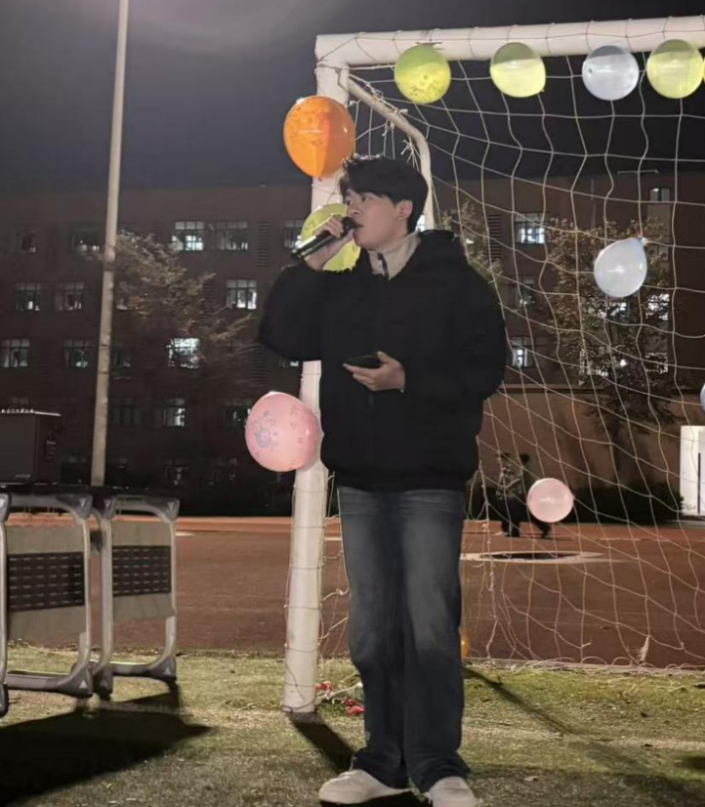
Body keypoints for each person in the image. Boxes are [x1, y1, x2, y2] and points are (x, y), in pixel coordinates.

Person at [258, 155, 506, 807]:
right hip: (361, 479)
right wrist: (314, 260)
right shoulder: (344, 285)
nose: (351, 209)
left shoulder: (457, 283)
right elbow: (280, 336)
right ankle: (381, 761)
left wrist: (408, 380)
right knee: (372, 632)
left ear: (403, 209)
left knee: (429, 628)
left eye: (363, 199)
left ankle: (438, 765)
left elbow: (485, 369)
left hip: (428, 477)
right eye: (349, 199)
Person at [495, 452, 526, 537]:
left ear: (505, 459)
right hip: (504, 495)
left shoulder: (509, 469)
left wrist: (506, 489)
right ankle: (506, 530)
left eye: (500, 458)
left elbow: (512, 481)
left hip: (510, 495)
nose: (498, 460)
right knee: (505, 513)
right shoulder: (504, 469)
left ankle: (511, 531)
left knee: (509, 514)